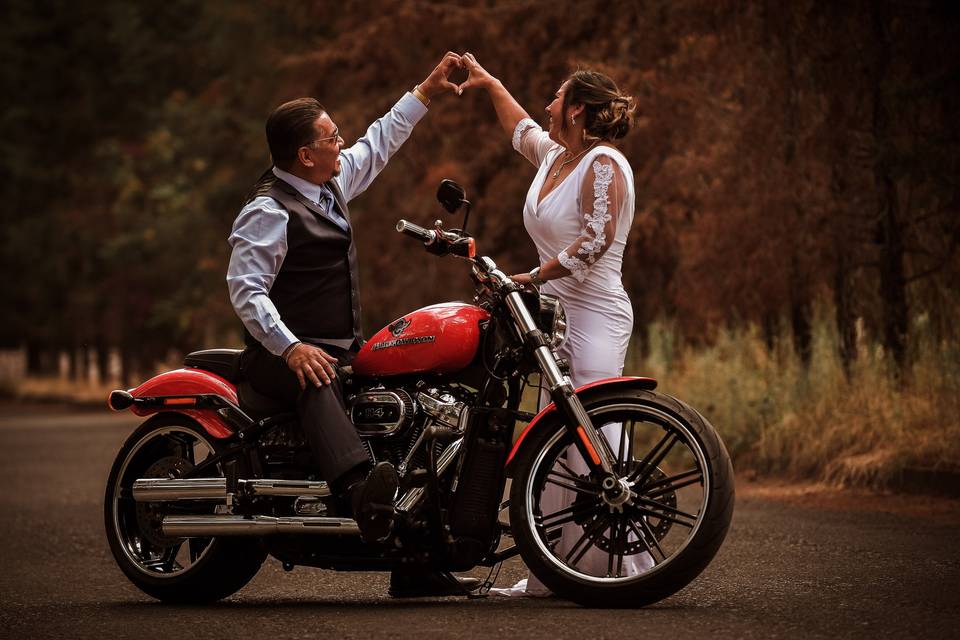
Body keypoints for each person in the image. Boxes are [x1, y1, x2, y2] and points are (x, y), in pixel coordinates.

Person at [227, 52, 478, 597]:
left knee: (415, 399)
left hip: (338, 346)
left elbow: (379, 141)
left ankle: (415, 564)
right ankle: (361, 489)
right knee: (316, 378)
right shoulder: (268, 210)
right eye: (332, 137)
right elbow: (246, 291)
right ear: (305, 153)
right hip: (280, 357)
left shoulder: (327, 186)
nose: (342, 143)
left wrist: (426, 90)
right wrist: (291, 347)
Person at [456, 53, 653, 596]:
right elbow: (519, 128)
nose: (546, 106)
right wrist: (490, 82)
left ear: (578, 110)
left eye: (556, 99)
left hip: (595, 313)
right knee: (551, 434)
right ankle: (557, 569)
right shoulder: (556, 158)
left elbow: (592, 243)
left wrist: (526, 277)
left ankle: (621, 566)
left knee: (591, 431)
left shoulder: (604, 163)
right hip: (553, 318)